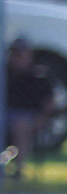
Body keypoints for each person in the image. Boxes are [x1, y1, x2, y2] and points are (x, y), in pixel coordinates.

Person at [3, 37, 55, 180]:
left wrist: (43, 118)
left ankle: (18, 169)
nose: (16, 58)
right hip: (5, 115)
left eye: (20, 54)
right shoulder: (4, 74)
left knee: (21, 125)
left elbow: (49, 103)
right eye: (13, 54)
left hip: (28, 117)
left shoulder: (38, 75)